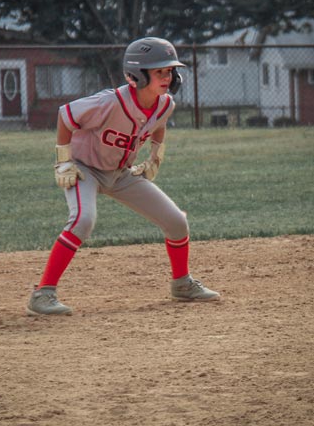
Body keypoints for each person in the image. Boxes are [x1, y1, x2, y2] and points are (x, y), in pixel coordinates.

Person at [27, 37, 220, 316]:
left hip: (121, 174)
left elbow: (159, 123)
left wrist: (155, 155)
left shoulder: (164, 104)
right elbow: (66, 116)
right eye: (159, 72)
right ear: (137, 76)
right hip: (85, 170)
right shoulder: (109, 102)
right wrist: (63, 160)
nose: (167, 77)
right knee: (83, 220)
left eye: (170, 71)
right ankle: (42, 294)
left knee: (177, 221)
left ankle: (182, 284)